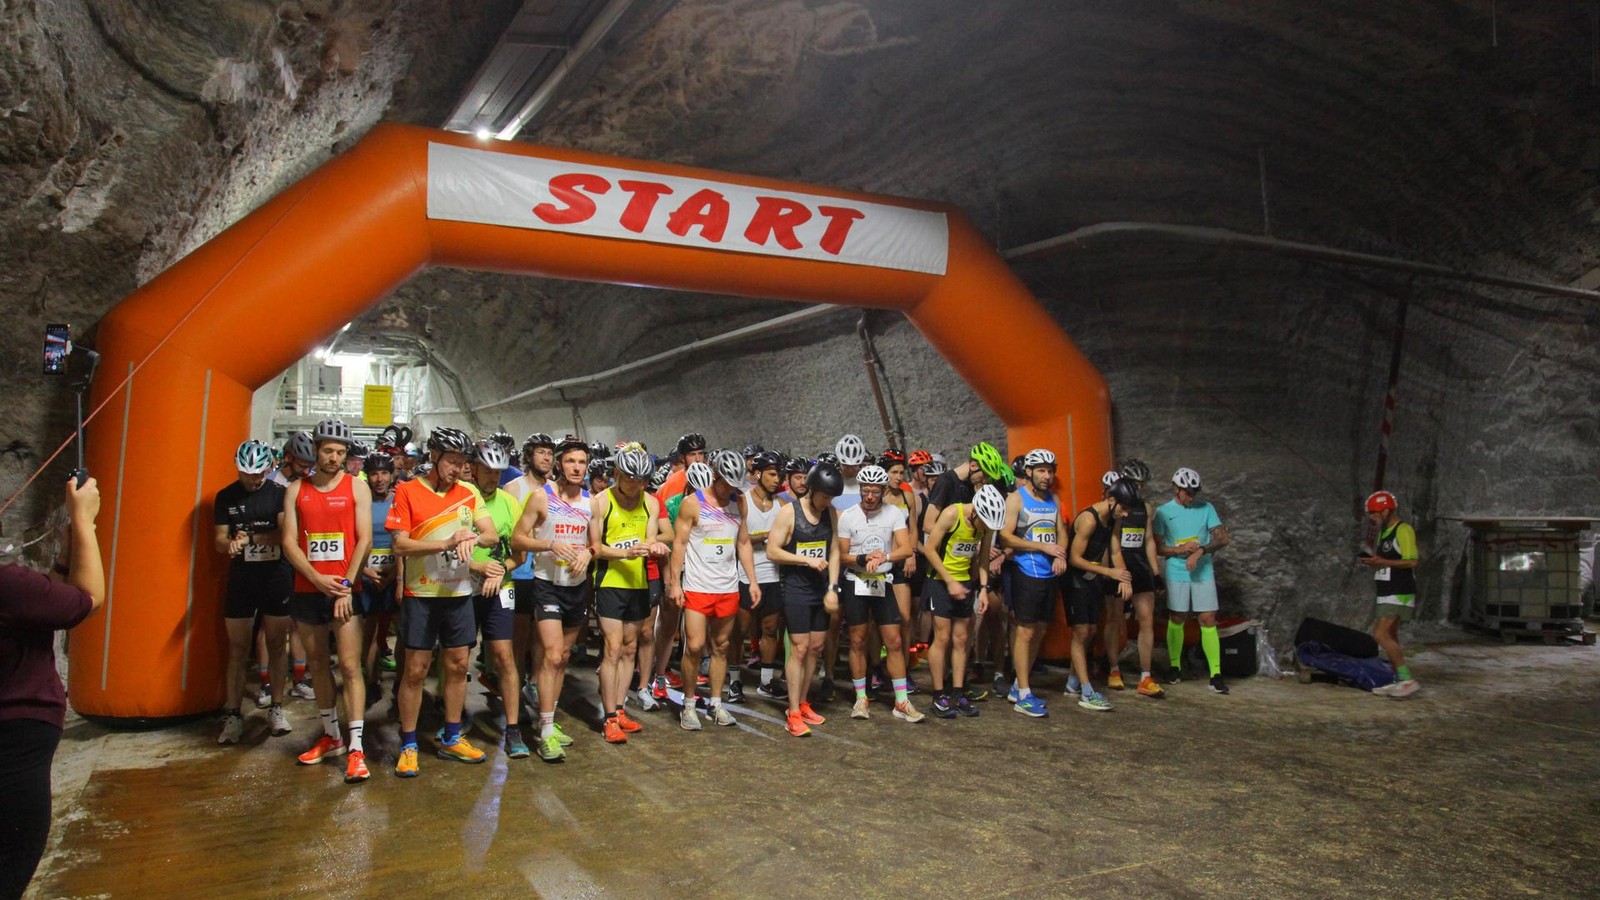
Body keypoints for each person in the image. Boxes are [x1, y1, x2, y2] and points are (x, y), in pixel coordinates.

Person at [0, 478, 104, 899]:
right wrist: (83, 521)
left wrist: (66, 552)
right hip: (14, 740)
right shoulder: (8, 586)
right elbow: (87, 599)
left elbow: (47, 603)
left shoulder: (15, 590)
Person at [387, 427, 498, 776]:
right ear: (433, 456)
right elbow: (400, 545)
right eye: (451, 461)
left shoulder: (468, 493)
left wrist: (472, 536)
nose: (457, 468)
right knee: (415, 670)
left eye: (462, 462)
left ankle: (452, 736)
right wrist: (446, 543)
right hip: (422, 594)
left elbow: (492, 535)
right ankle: (408, 743)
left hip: (458, 594)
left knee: (457, 666)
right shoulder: (407, 491)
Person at [280, 419, 374, 783]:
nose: (334, 458)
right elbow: (289, 542)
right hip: (308, 590)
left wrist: (346, 585)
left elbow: (363, 539)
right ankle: (331, 734)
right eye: (328, 451)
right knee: (318, 663)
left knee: (350, 667)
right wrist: (317, 579)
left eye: (340, 452)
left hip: (346, 590)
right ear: (316, 450)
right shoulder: (295, 490)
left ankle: (355, 747)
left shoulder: (357, 488)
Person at [581, 447, 669, 743]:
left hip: (639, 582)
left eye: (643, 480)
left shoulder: (651, 504)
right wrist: (624, 553)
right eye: (632, 479)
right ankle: (607, 717)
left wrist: (655, 546)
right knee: (613, 647)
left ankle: (619, 710)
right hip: (609, 581)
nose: (637, 486)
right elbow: (595, 547)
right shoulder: (601, 502)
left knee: (631, 647)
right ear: (617, 474)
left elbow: (652, 539)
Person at [668, 452, 760, 730]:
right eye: (727, 484)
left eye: (735, 485)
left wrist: (752, 581)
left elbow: (743, 543)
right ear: (716, 476)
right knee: (695, 646)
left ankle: (716, 704)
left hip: (727, 586)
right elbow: (680, 544)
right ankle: (688, 704)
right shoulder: (692, 504)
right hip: (697, 586)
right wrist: (674, 582)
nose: (731, 490)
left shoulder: (739, 502)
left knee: (721, 646)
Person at [212, 440, 294, 744]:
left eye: (259, 473)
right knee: (237, 649)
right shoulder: (225, 497)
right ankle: (232, 714)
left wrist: (252, 538)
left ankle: (276, 707)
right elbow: (219, 539)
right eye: (247, 473)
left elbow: (286, 535)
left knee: (276, 644)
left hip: (276, 576)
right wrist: (229, 544)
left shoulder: (279, 495)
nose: (253, 479)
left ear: (268, 468)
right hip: (242, 579)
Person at [836, 464, 924, 722]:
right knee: (857, 640)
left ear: (884, 491)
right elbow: (841, 555)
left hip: (882, 581)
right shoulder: (848, 516)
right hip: (856, 581)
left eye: (875, 491)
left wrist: (884, 556)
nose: (870, 496)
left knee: (894, 641)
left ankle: (902, 702)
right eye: (865, 491)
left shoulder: (895, 514)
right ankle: (861, 698)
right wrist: (862, 558)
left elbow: (906, 548)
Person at [764, 463, 844, 736]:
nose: (828, 502)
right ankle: (793, 711)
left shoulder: (829, 512)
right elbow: (772, 551)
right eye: (825, 496)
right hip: (795, 588)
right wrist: (804, 560)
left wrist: (833, 587)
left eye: (831, 498)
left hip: (820, 588)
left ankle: (803, 701)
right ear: (812, 489)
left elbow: (834, 551)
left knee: (815, 647)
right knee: (799, 647)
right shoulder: (790, 513)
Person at [464, 440, 528, 757]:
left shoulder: (509, 503)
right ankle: (452, 719)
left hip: (501, 584)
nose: (492, 477)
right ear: (473, 469)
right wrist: (475, 568)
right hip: (461, 584)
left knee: (504, 656)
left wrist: (500, 570)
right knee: (457, 657)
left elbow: (520, 553)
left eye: (497, 472)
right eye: (487, 470)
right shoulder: (461, 499)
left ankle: (513, 728)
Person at [923, 484, 1006, 718]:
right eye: (985, 524)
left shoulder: (986, 525)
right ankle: (939, 695)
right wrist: (949, 581)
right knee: (943, 637)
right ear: (975, 512)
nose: (987, 529)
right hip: (939, 581)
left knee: (962, 639)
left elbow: (982, 559)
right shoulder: (952, 514)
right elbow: (929, 549)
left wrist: (982, 589)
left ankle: (958, 692)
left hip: (965, 584)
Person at [997, 449, 1066, 717]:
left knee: (1039, 630)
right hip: (1026, 572)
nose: (1047, 476)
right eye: (1041, 471)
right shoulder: (1016, 499)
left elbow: (1061, 532)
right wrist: (1040, 547)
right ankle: (1024, 694)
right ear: (1028, 472)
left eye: (1050, 471)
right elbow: (1006, 537)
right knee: (1024, 631)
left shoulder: (1054, 499)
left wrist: (1060, 553)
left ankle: (1018, 686)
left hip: (1049, 574)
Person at [1063, 475, 1140, 712]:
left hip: (1093, 576)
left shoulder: (1113, 519)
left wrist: (1124, 576)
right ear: (1111, 500)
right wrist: (1109, 572)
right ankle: (1086, 691)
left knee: (1091, 630)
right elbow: (1074, 559)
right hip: (1075, 577)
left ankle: (1072, 682)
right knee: (1081, 631)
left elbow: (1115, 549)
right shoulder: (1089, 519)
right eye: (1124, 509)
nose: (1125, 514)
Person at [1153, 467, 1232, 694]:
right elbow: (1158, 547)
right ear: (1176, 489)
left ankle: (1216, 674)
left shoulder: (1206, 508)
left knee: (1208, 618)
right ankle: (1175, 667)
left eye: (1193, 492)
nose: (1191, 496)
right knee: (1178, 616)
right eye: (1187, 492)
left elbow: (1222, 537)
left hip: (1202, 570)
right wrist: (1179, 550)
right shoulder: (1163, 512)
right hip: (1177, 570)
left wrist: (1201, 551)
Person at [504, 431, 556, 716]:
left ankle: (535, 683)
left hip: (547, 571)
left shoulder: (557, 489)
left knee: (542, 634)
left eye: (549, 453)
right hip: (522, 572)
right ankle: (515, 682)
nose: (546, 457)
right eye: (540, 452)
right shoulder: (514, 488)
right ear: (529, 456)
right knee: (519, 634)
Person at [1111, 459, 1165, 698]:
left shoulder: (1147, 508)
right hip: (1117, 568)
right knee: (1114, 619)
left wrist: (1156, 573)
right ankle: (1113, 669)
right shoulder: (1114, 507)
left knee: (1146, 619)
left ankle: (1145, 675)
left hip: (1140, 566)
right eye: (1135, 483)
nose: (1139, 489)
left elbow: (1149, 540)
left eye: (1142, 484)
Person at [1362, 491, 1421, 698]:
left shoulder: (1403, 530)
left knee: (1380, 635)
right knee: (1391, 635)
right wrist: (1374, 561)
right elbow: (1386, 561)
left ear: (1387, 510)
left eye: (1375, 513)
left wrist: (1383, 562)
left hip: (1400, 590)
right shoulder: (1384, 533)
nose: (1372, 518)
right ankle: (1398, 680)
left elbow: (1412, 561)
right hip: (1386, 591)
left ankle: (1407, 679)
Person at [739, 451, 787, 701]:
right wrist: (769, 535)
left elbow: (786, 537)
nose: (777, 479)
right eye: (772, 474)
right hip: (747, 575)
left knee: (770, 629)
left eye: (779, 474)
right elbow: (742, 539)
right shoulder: (743, 501)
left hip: (773, 574)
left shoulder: (782, 505)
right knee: (741, 629)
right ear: (758, 474)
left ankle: (767, 682)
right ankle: (734, 680)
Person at [356, 452, 400, 703]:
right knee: (370, 632)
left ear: (392, 475)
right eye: (374, 473)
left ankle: (401, 682)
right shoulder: (360, 503)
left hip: (395, 574)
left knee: (404, 630)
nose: (379, 479)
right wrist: (364, 571)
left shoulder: (399, 502)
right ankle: (371, 680)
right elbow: (352, 541)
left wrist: (395, 572)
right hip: (368, 576)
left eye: (384, 473)